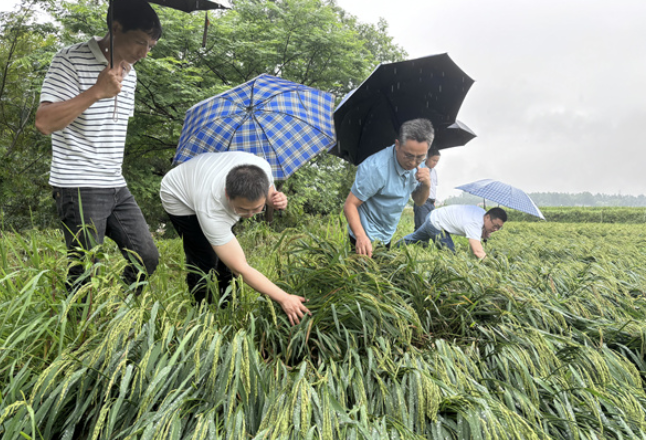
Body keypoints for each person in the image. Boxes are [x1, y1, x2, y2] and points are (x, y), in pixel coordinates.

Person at [35, 0, 162, 294]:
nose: (144, 53)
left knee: (146, 257)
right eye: (139, 42)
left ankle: (118, 315)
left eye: (151, 46)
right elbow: (44, 122)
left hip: (114, 182)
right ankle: (77, 334)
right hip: (78, 183)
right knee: (84, 271)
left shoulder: (131, 71)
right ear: (116, 28)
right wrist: (96, 91)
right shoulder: (69, 59)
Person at [160, 151, 311, 326]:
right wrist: (283, 298)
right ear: (227, 194)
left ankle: (230, 306)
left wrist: (275, 200)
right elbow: (242, 268)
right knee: (204, 258)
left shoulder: (262, 167)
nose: (249, 215)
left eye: (257, 209)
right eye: (243, 209)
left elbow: (269, 192)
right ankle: (201, 314)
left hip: (204, 176)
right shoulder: (211, 208)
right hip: (178, 194)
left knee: (226, 261)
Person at [343, 118, 434, 258]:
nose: (413, 162)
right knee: (362, 278)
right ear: (397, 145)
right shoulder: (376, 169)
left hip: (387, 233)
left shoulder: (420, 167)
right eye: (408, 156)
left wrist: (427, 185)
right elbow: (350, 205)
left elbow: (419, 201)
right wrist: (360, 236)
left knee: (380, 275)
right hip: (365, 233)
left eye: (420, 157)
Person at [399, 205, 507, 259]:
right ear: (487, 217)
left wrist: (485, 232)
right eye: (495, 225)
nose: (496, 229)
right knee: (451, 257)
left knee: (415, 238)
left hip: (434, 215)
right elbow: (477, 251)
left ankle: (392, 248)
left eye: (499, 227)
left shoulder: (482, 213)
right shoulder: (475, 223)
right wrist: (492, 265)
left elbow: (481, 229)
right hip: (437, 224)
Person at [413, 149, 441, 231]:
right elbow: (415, 187)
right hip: (422, 202)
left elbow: (433, 188)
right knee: (421, 226)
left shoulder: (434, 171)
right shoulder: (420, 169)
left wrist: (434, 201)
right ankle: (419, 244)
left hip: (431, 203)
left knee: (430, 226)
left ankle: (425, 243)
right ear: (427, 158)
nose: (435, 163)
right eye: (434, 160)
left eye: (437, 161)